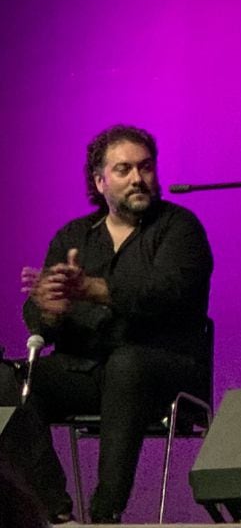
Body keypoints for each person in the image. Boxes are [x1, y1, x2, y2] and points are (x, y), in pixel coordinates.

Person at [0, 125, 213, 523]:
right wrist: (50, 310)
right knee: (8, 379)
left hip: (165, 371)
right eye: (124, 169)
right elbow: (41, 315)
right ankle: (54, 514)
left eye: (146, 167)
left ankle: (104, 515)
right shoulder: (75, 235)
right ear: (100, 182)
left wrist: (95, 289)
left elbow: (166, 293)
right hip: (88, 371)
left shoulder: (180, 228)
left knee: (127, 364)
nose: (138, 178)